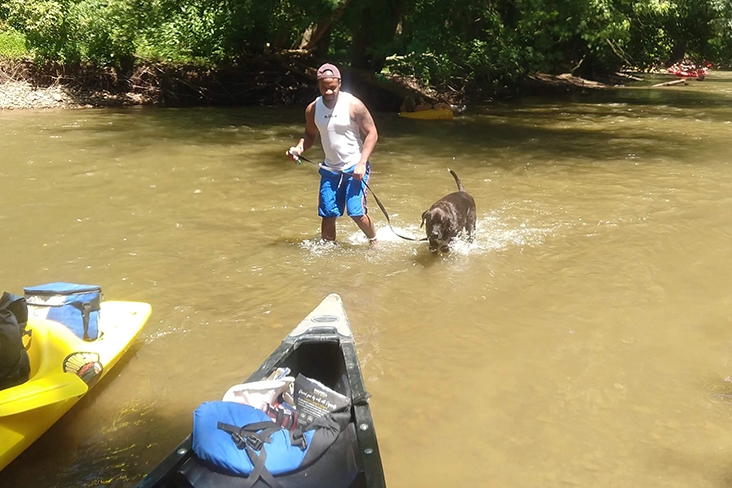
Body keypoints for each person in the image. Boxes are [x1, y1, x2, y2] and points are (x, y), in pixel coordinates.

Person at [286, 63, 378, 244]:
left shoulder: (354, 105)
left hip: (355, 166)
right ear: (318, 85)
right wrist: (298, 148)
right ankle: (328, 251)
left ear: (340, 83)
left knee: (356, 212)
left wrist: (362, 163)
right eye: (324, 88)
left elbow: (372, 133)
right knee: (328, 214)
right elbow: (310, 135)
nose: (328, 92)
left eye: (332, 88)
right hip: (330, 168)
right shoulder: (312, 109)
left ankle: (374, 242)